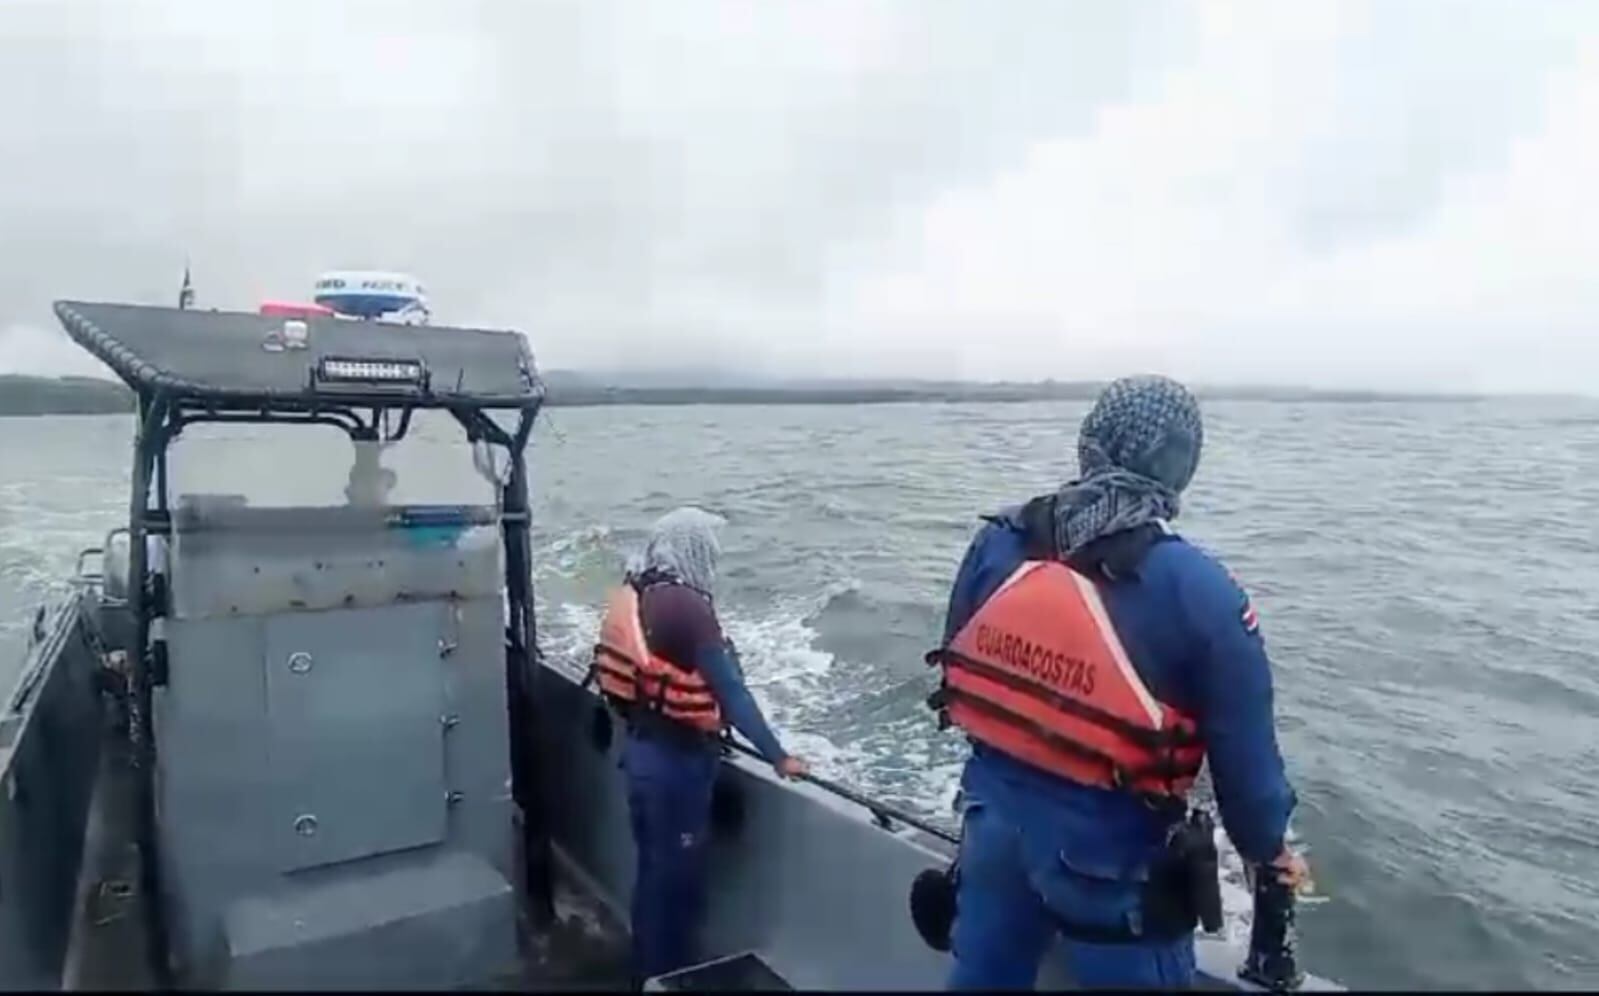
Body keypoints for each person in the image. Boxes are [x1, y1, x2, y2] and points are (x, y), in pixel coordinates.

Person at [927, 375, 1310, 990]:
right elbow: (1251, 782)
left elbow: (958, 668)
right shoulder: (1201, 591)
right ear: (1180, 464)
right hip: (1110, 866)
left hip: (990, 827)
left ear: (1091, 441)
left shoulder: (996, 543)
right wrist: (1272, 853)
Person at [592, 506, 809, 988]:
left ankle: (644, 975)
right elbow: (732, 693)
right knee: (678, 890)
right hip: (677, 771)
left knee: (652, 880)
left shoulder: (643, 591)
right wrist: (780, 757)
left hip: (642, 755)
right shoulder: (688, 608)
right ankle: (666, 980)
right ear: (693, 549)